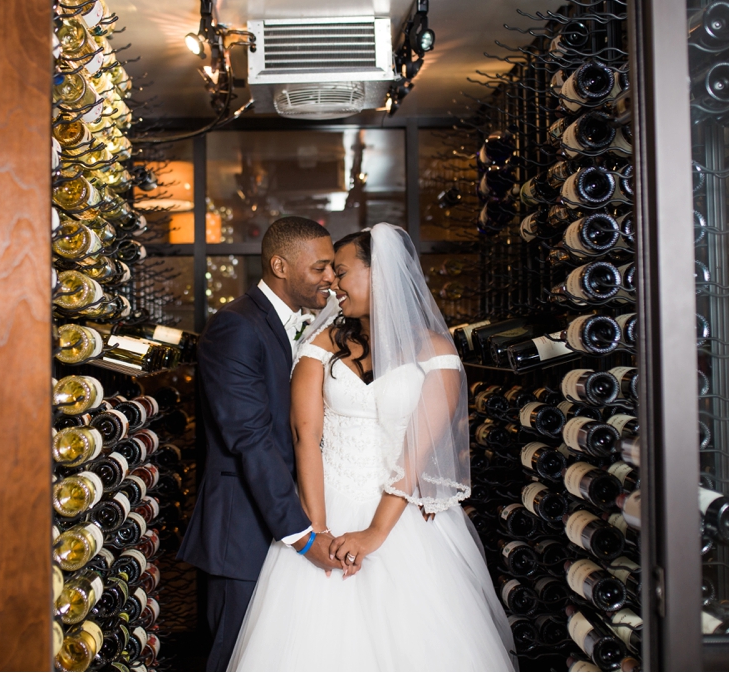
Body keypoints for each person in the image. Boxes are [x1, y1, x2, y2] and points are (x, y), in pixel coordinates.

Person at [228, 223, 516, 671]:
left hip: (403, 517)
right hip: (327, 503)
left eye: (341, 272)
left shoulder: (436, 352)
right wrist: (317, 528)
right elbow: (307, 438)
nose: (333, 284)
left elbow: (416, 454)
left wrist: (374, 534)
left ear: (379, 273)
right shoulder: (320, 346)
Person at [176, 217, 340, 672]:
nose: (330, 277)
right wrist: (303, 537)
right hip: (244, 529)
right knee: (236, 659)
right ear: (280, 265)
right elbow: (249, 438)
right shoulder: (236, 326)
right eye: (321, 267)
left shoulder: (308, 325)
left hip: (288, 513)